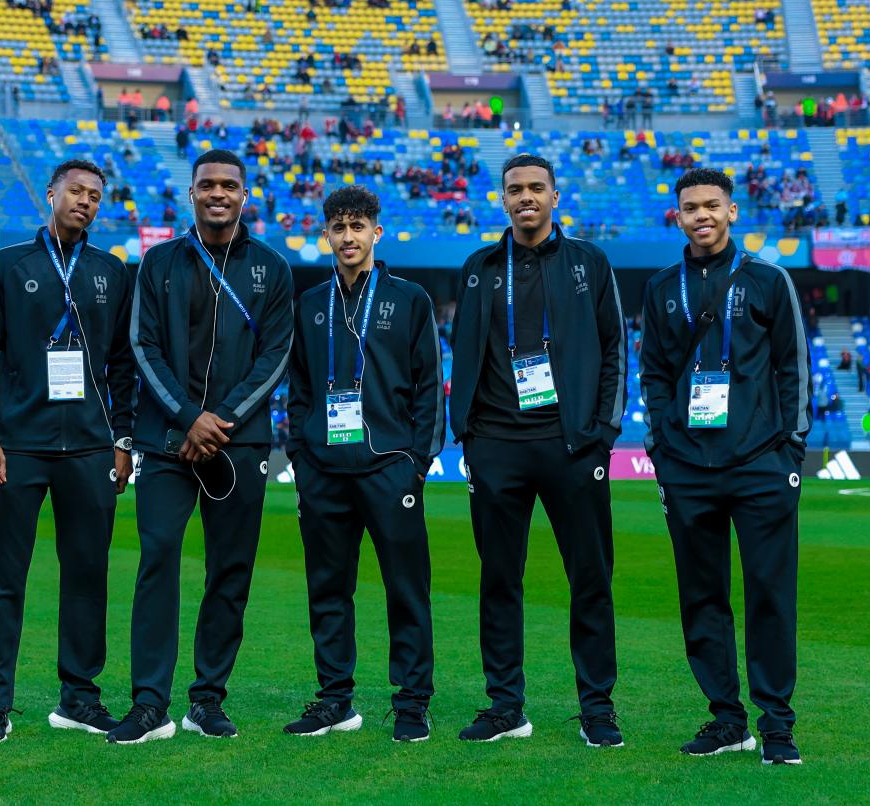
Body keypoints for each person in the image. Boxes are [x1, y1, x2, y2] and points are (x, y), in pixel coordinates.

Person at [111, 149, 294, 743]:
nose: (219, 193)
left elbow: (277, 354)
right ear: (191, 194)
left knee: (230, 571)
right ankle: (148, 704)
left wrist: (223, 419)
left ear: (246, 195)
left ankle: (208, 699)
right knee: (158, 558)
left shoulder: (272, 267)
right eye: (207, 184)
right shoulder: (158, 262)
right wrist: (191, 418)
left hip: (240, 445)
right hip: (166, 441)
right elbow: (142, 346)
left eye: (230, 185)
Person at [449, 153, 627, 744]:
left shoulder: (589, 263)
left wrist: (602, 430)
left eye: (536, 188)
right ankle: (505, 706)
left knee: (590, 578)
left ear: (555, 196)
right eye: (514, 189)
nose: (525, 197)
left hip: (572, 444)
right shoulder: (478, 269)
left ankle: (597, 706)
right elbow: (465, 353)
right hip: (497, 445)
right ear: (502, 199)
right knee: (499, 579)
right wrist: (468, 433)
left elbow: (614, 349)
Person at [639, 167, 811, 765]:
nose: (702, 215)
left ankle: (778, 725)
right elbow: (655, 377)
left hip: (761, 462)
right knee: (702, 598)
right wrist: (663, 448)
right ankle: (726, 720)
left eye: (712, 205)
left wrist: (791, 448)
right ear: (679, 216)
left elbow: (792, 367)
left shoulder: (769, 279)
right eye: (691, 207)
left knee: (770, 595)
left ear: (732, 211)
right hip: (688, 467)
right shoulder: (662, 288)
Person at [0, 159, 138, 744]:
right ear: (51, 194)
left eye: (95, 195)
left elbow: (123, 364)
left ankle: (81, 699)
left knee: (88, 576)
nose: (86, 202)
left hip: (90, 449)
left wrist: (122, 437)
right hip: (18, 448)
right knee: (3, 579)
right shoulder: (10, 264)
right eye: (76, 192)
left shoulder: (111, 271)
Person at [282, 186, 444, 741]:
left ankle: (412, 701)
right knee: (327, 588)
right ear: (325, 234)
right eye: (338, 226)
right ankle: (334, 700)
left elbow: (429, 389)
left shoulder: (410, 299)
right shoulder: (309, 305)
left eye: (358, 226)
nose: (347, 237)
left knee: (406, 588)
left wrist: (416, 462)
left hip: (389, 468)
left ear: (376, 232)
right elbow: (298, 391)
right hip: (324, 471)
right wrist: (303, 459)